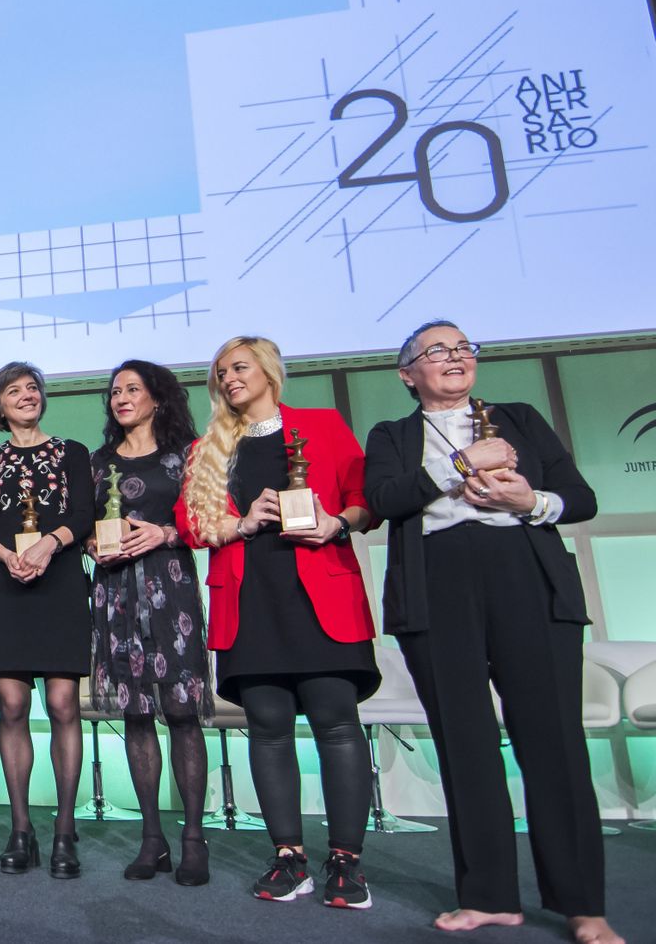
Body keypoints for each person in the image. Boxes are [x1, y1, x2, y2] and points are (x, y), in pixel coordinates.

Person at [364, 321, 622, 944]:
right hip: (438, 587)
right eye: (436, 352)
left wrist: (531, 501)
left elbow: (580, 498)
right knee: (465, 744)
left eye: (462, 348)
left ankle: (584, 905)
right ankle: (488, 896)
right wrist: (461, 465)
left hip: (525, 577)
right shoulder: (393, 435)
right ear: (408, 375)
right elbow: (386, 500)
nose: (454, 358)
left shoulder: (522, 418)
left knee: (555, 742)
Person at [176, 336, 377, 908]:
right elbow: (192, 527)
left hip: (321, 596)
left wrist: (336, 522)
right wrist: (241, 522)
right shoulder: (206, 449)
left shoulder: (323, 424)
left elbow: (366, 500)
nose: (229, 378)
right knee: (267, 728)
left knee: (337, 723)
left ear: (268, 370)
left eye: (239, 367)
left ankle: (346, 862)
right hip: (250, 599)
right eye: (220, 371)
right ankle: (289, 857)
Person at [0, 361, 94, 879]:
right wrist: (8, 556)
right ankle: (22, 829)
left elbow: (83, 512)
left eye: (33, 387)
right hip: (6, 584)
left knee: (63, 704)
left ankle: (65, 830)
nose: (26, 395)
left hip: (59, 583)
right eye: (14, 390)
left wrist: (47, 544)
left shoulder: (73, 452)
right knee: (12, 706)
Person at [89, 360, 211, 885]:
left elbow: (209, 519)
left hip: (171, 592)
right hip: (114, 594)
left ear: (157, 397)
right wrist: (93, 544)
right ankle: (152, 839)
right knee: (136, 716)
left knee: (182, 713)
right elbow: (84, 528)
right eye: (115, 391)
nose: (121, 398)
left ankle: (193, 839)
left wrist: (165, 534)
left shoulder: (188, 455)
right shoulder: (97, 463)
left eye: (132, 389)